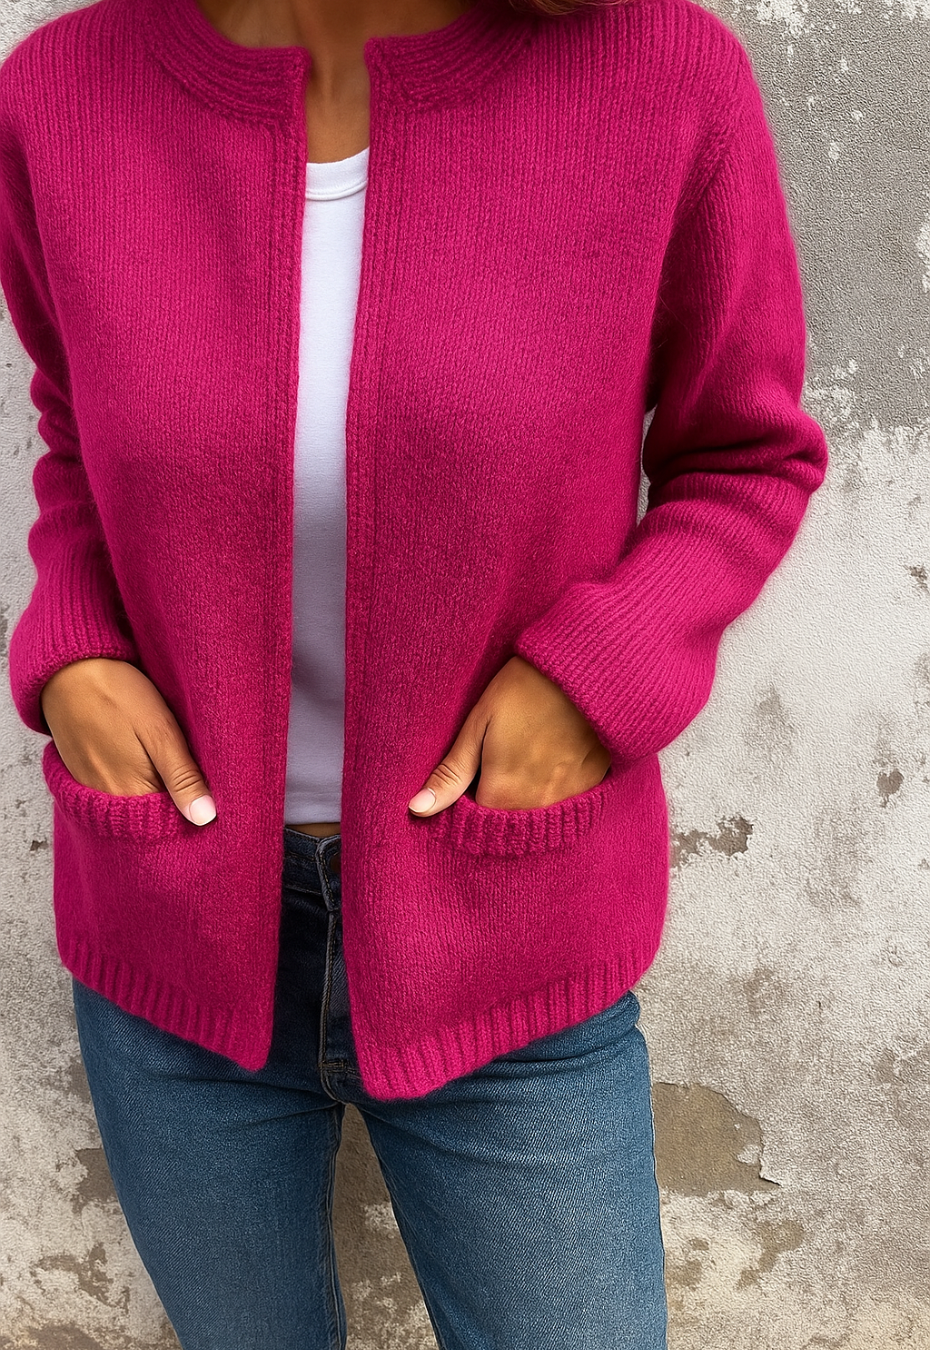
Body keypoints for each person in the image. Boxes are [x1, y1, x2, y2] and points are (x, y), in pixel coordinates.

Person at [0, 0, 829, 1343]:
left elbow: (745, 457)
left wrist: (597, 675)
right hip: (172, 934)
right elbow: (75, 439)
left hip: (510, 936)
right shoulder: (62, 97)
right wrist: (74, 646)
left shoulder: (661, 77)